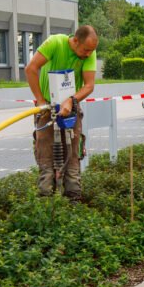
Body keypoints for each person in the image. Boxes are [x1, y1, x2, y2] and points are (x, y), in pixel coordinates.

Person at [25, 25, 98, 201]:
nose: (88, 54)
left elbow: (89, 85)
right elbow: (31, 69)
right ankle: (46, 199)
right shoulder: (54, 43)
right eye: (86, 50)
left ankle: (73, 199)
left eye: (92, 51)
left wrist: (71, 101)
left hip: (71, 109)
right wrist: (41, 101)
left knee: (72, 154)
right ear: (75, 41)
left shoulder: (90, 52)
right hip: (47, 109)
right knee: (46, 155)